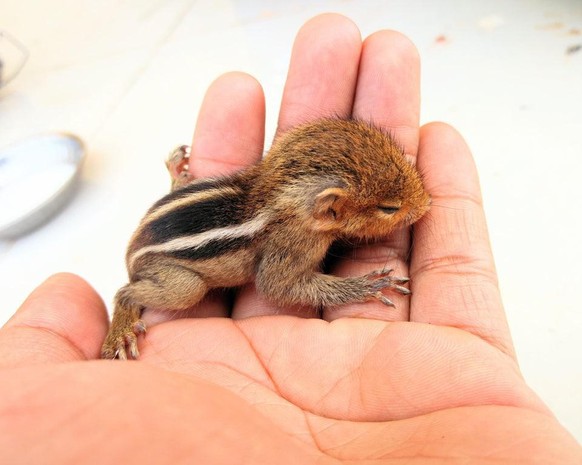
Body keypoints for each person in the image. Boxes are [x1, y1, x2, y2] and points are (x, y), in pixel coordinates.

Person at [0, 14, 580, 464]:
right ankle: (134, 299)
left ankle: (180, 186)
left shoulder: (285, 193)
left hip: (188, 213)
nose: (416, 211)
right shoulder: (293, 235)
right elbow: (282, 284)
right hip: (174, 262)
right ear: (330, 213)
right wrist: (354, 288)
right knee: (173, 292)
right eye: (389, 208)